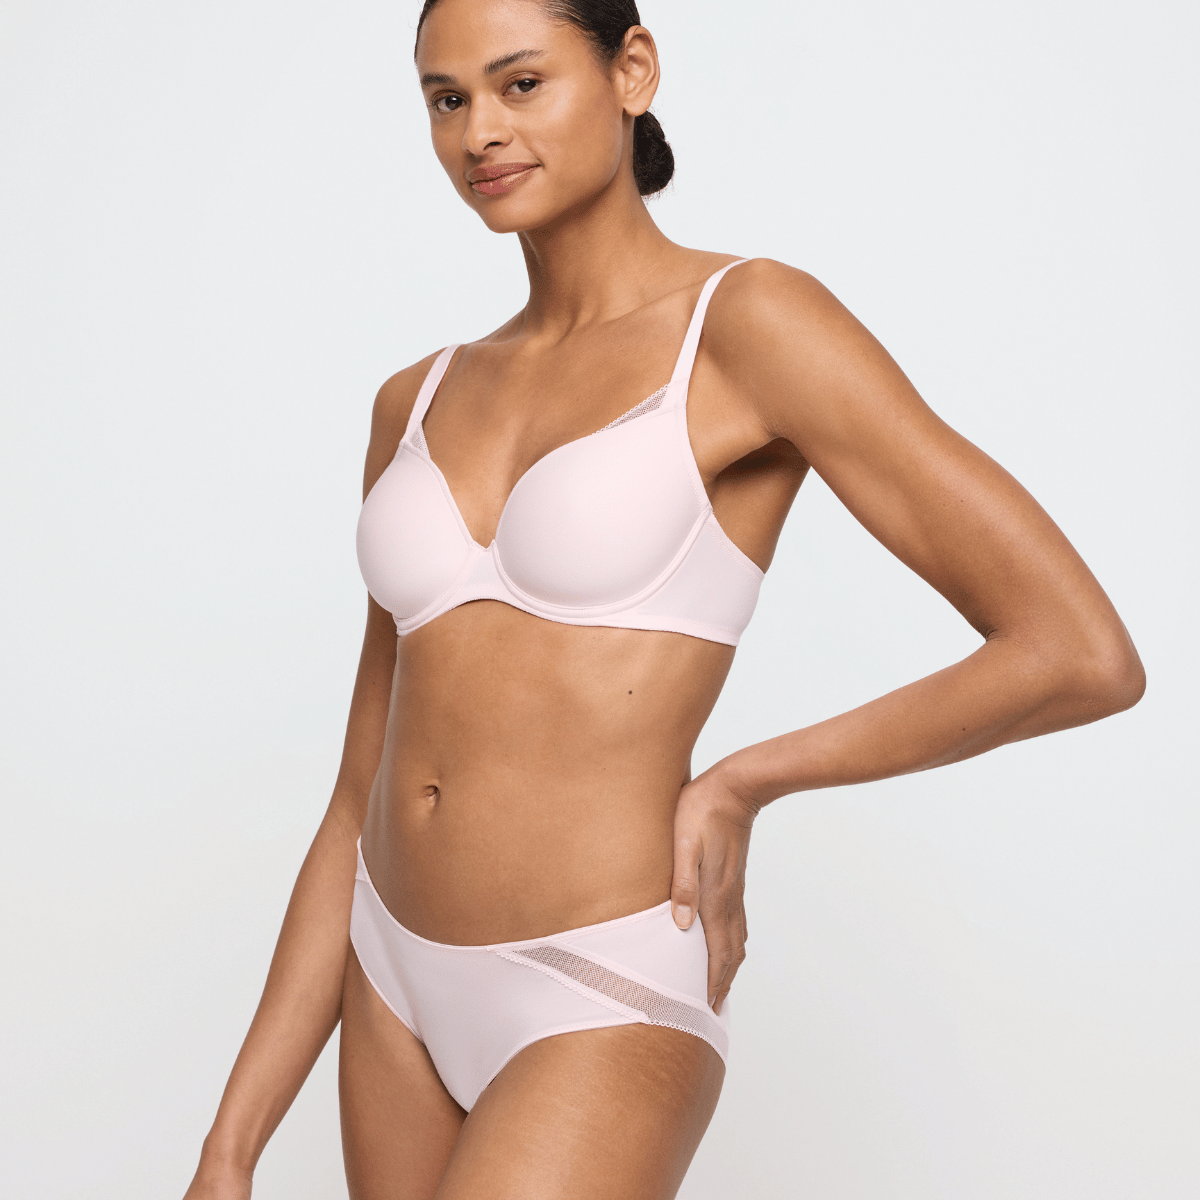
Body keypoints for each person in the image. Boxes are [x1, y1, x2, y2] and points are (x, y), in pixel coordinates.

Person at [183, 1, 1145, 1197]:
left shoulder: (746, 326)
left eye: (521, 84)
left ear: (631, 69)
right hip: (387, 971)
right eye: (446, 99)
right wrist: (230, 1147)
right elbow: (356, 789)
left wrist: (749, 777)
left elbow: (1078, 649)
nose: (480, 131)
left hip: (598, 977)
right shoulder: (413, 401)